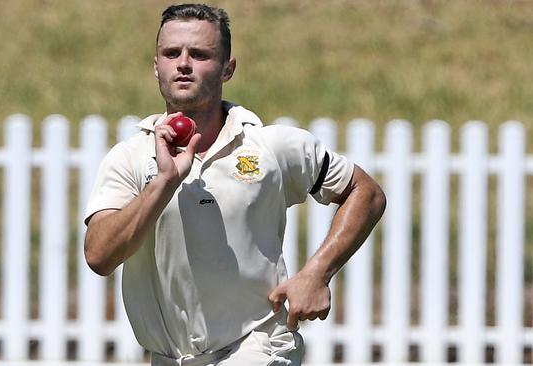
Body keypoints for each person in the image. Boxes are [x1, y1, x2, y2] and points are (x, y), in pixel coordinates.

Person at [83, 3, 386, 365]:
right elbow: (99, 256)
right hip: (168, 357)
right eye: (171, 53)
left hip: (259, 348)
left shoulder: (272, 146)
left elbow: (365, 192)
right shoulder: (129, 158)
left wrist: (318, 272)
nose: (183, 63)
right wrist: (164, 182)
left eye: (199, 54)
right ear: (156, 66)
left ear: (228, 68)